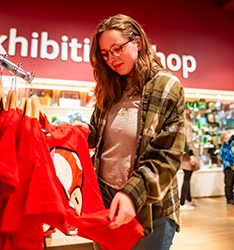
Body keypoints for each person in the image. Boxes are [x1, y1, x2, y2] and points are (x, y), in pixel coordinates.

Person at [77, 14, 185, 250]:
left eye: (117, 49)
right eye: (105, 54)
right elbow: (99, 132)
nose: (112, 59)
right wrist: (82, 132)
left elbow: (167, 155)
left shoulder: (166, 85)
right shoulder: (109, 87)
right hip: (105, 201)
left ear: (137, 43)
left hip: (150, 208)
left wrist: (130, 193)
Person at [180, 109, 200, 210]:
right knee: (187, 179)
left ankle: (188, 199)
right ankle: (183, 202)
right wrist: (191, 154)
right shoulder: (186, 123)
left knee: (187, 177)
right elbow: (187, 138)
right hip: (188, 154)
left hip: (185, 154)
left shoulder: (183, 122)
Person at [220, 132, 234, 205]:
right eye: (227, 138)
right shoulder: (225, 146)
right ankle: (229, 198)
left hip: (231, 167)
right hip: (228, 167)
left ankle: (231, 197)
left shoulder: (229, 147)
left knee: (231, 183)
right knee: (229, 183)